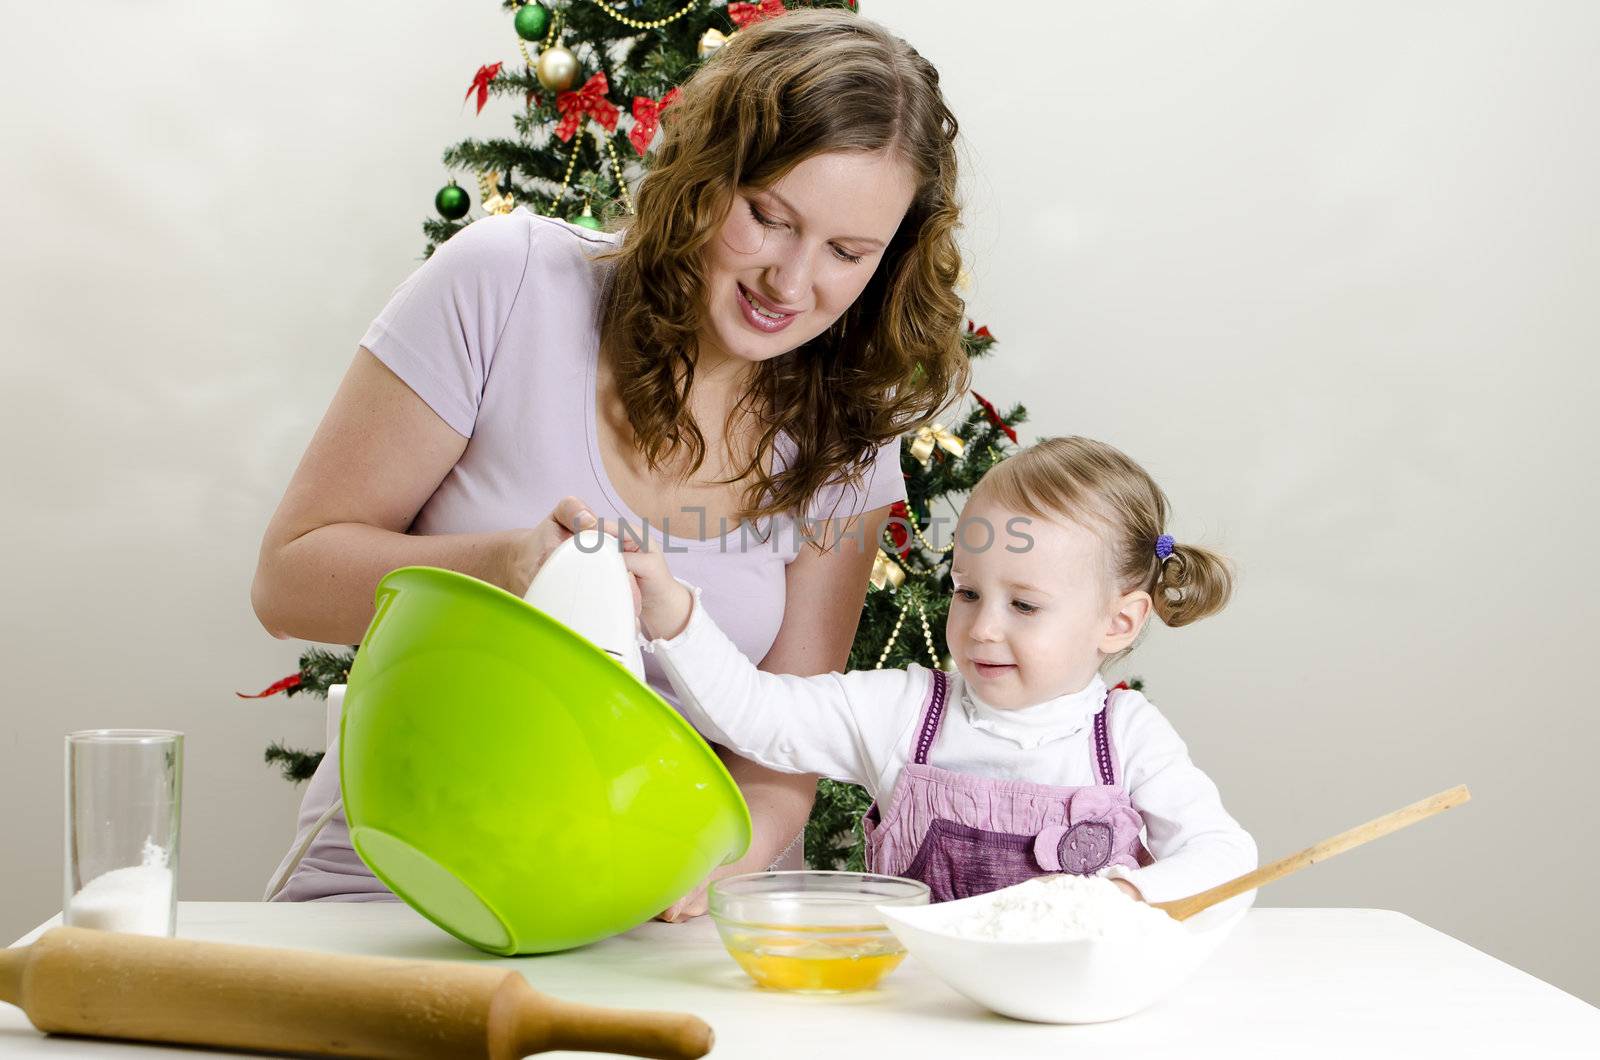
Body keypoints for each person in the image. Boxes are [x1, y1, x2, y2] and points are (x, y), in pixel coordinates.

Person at [251, 9, 969, 914]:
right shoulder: (507, 284)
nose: (790, 282)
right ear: (706, 176)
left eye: (846, 252)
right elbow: (288, 581)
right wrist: (507, 568)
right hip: (407, 875)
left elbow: (783, 751)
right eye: (768, 217)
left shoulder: (847, 436)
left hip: (663, 900)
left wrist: (695, 877)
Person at [623, 436, 1257, 904]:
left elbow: (1226, 856)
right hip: (917, 1014)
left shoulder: (1127, 736)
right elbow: (754, 715)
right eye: (967, 591)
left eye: (1025, 605)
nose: (982, 628)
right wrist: (672, 613)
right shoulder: (905, 712)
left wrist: (1127, 897)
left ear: (1118, 621)